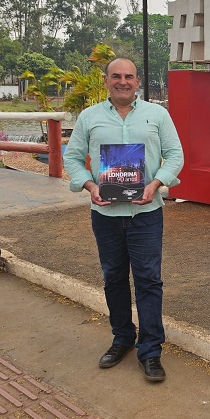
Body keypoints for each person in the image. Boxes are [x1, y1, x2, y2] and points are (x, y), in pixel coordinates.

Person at [63, 57, 184, 382]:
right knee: (113, 277)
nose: (122, 81)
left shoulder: (157, 115)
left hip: (147, 214)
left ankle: (150, 351)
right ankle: (122, 338)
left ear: (137, 82)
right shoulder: (89, 118)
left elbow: (175, 154)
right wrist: (89, 185)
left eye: (128, 76)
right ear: (106, 81)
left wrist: (156, 183)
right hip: (105, 215)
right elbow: (72, 157)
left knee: (148, 280)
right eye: (116, 76)